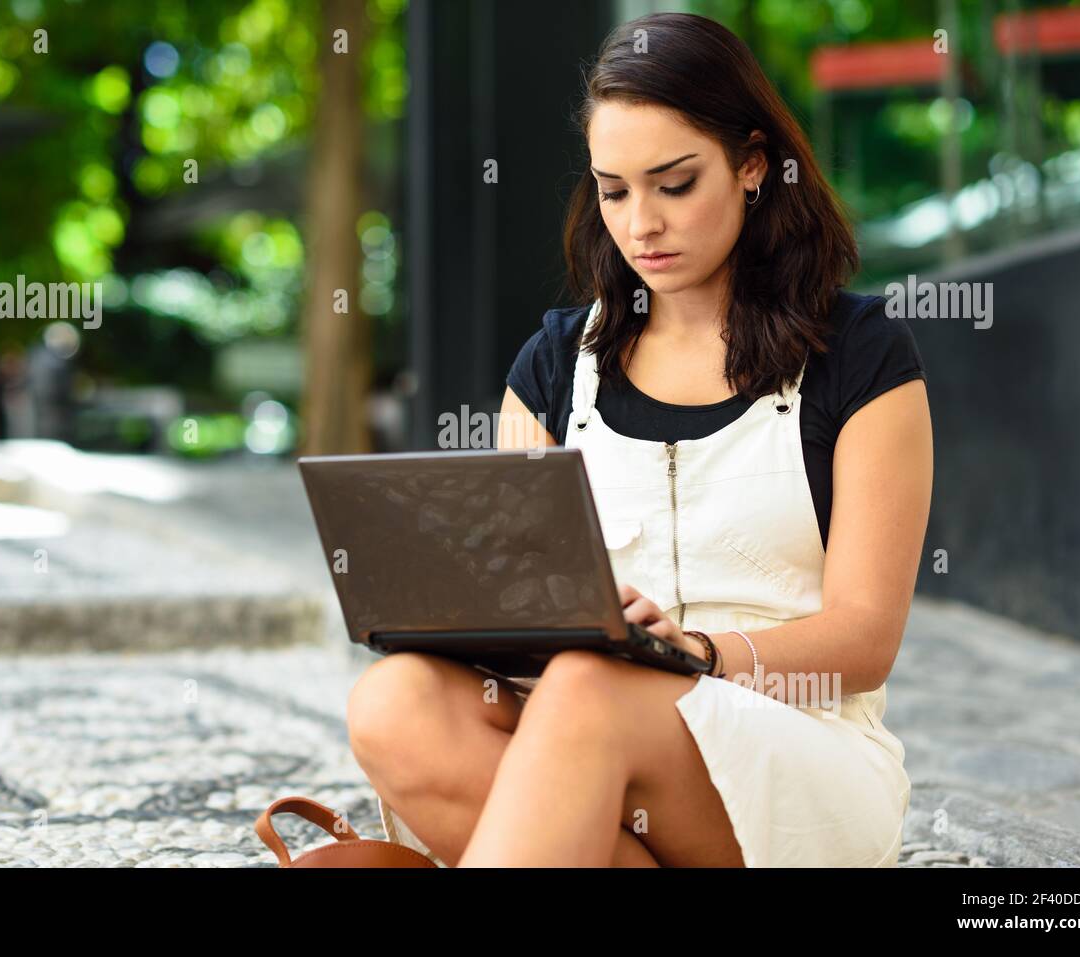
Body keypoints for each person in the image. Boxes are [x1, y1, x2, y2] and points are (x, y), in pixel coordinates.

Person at [347, 11, 932, 867]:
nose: (641, 223)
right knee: (393, 699)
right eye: (615, 190)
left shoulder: (862, 354)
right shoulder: (552, 366)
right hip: (587, 737)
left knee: (591, 686)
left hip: (800, 756)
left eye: (675, 183)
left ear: (754, 165)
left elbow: (864, 637)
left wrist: (689, 655)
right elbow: (516, 598)